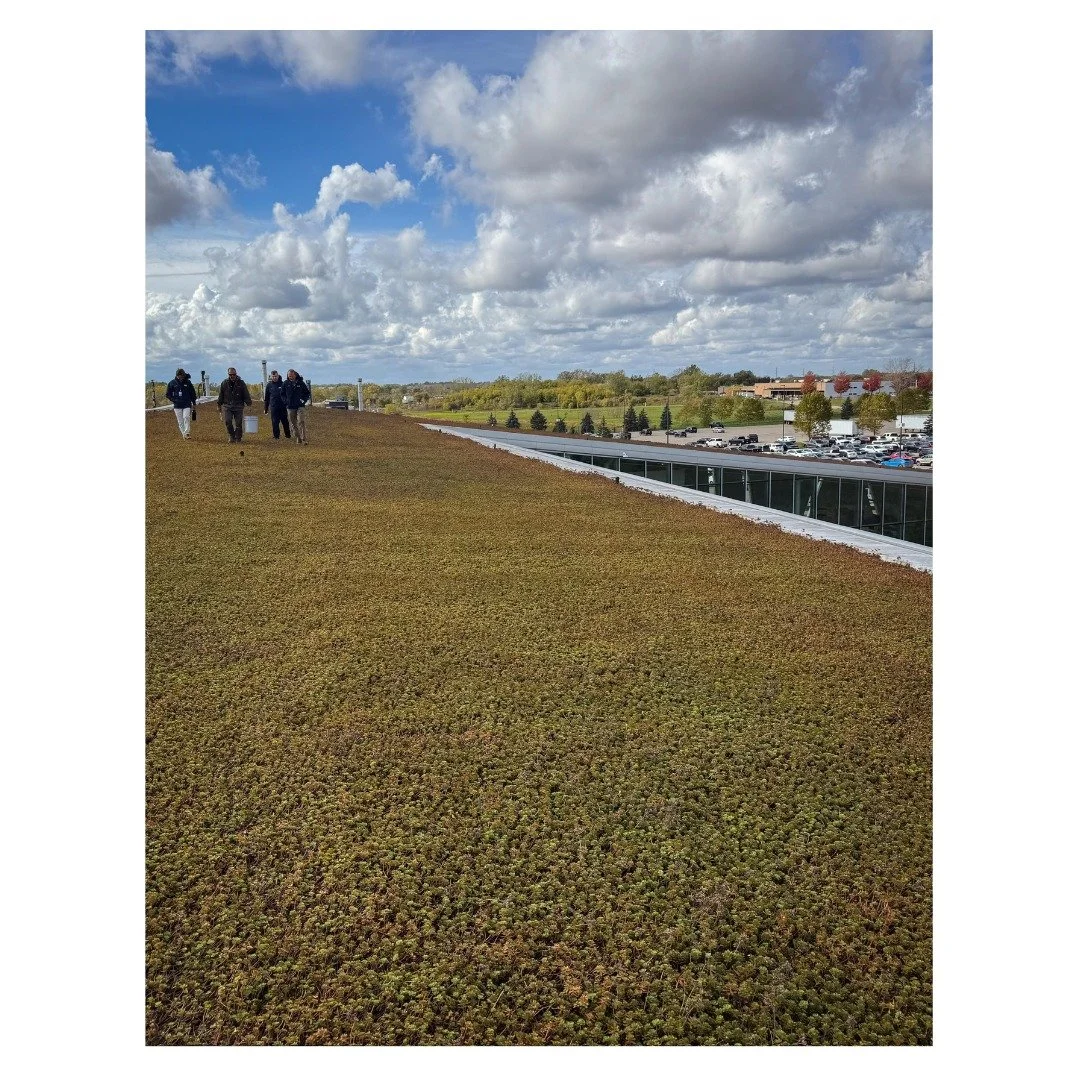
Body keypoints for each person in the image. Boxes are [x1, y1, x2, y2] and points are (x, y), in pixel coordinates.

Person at [217, 367, 252, 443]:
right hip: (227, 406)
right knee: (228, 421)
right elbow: (221, 395)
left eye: (233, 374)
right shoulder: (224, 383)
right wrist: (219, 405)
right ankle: (231, 435)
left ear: (236, 374)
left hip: (238, 406)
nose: (232, 376)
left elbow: (246, 394)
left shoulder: (241, 383)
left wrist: (249, 404)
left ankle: (238, 437)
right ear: (228, 374)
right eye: (230, 374)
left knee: (238, 422)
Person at [165, 368, 197, 439]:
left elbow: (192, 393)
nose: (182, 377)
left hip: (186, 404)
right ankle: (184, 434)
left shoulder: (188, 382)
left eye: (183, 375)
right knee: (180, 421)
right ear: (178, 376)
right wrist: (174, 400)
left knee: (186, 417)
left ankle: (187, 432)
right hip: (177, 405)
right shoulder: (172, 383)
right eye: (181, 376)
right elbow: (168, 394)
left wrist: (194, 402)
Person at [282, 369, 311, 444]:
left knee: (301, 421)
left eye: (291, 376)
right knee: (293, 423)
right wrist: (286, 401)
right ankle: (298, 437)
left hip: (300, 406)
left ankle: (304, 439)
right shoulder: (285, 383)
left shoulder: (301, 383)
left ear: (295, 375)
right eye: (289, 376)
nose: (290, 377)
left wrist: (303, 400)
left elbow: (307, 393)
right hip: (290, 407)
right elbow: (282, 394)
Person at [263, 369, 291, 440]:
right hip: (274, 407)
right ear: (271, 377)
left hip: (283, 407)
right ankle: (276, 436)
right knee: (275, 422)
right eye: (273, 376)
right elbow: (266, 398)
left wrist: (288, 404)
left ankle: (288, 435)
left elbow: (288, 395)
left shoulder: (283, 384)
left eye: (275, 376)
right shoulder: (269, 385)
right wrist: (265, 409)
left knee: (285, 421)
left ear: (278, 376)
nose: (274, 378)